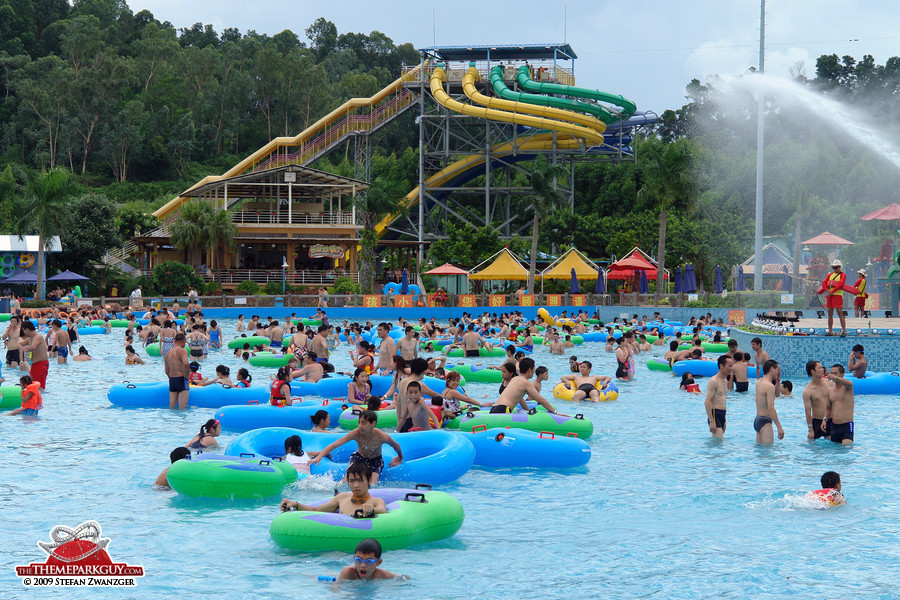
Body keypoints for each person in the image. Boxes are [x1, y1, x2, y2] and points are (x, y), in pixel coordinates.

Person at [307, 412, 403, 486]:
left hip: (375, 460)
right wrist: (319, 457)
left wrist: (400, 457)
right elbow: (335, 444)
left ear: (373, 423)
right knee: (345, 482)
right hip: (359, 458)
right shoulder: (356, 433)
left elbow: (396, 445)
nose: (360, 426)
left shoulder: (381, 436)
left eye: (364, 423)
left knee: (372, 485)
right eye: (359, 422)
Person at [282, 462, 385, 519]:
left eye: (359, 480)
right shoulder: (342, 498)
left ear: (369, 480)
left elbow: (383, 510)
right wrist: (295, 504)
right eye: (352, 481)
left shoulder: (376, 501)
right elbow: (316, 510)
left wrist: (372, 509)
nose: (355, 485)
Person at [491, 358, 560, 414]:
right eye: (533, 369)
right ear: (529, 370)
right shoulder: (526, 383)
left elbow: (520, 399)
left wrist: (528, 411)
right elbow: (541, 400)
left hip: (494, 408)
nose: (534, 372)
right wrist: (555, 412)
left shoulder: (514, 379)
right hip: (503, 410)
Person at [754, 360, 784, 444]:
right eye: (777, 369)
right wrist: (779, 427)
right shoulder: (769, 386)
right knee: (768, 453)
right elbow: (771, 408)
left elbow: (777, 395)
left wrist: (778, 380)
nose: (778, 372)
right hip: (765, 422)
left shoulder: (759, 382)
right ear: (771, 369)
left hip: (758, 420)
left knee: (760, 452)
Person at [704, 355, 734, 438]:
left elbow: (722, 400)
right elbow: (707, 402)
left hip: (722, 414)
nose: (731, 368)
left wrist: (724, 420)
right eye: (730, 366)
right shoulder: (714, 381)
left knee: (718, 443)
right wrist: (711, 420)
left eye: (732, 365)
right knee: (718, 442)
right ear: (721, 366)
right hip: (715, 414)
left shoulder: (725, 380)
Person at [825, 364, 854, 445]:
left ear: (842, 374)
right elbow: (828, 408)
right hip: (834, 426)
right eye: (832, 373)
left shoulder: (847, 388)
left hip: (846, 425)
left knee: (846, 448)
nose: (833, 375)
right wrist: (824, 419)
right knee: (835, 452)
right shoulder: (830, 390)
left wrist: (835, 378)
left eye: (835, 373)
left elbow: (850, 384)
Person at [802, 361, 831, 440]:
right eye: (819, 368)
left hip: (830, 420)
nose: (823, 370)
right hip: (817, 422)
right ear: (812, 371)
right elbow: (808, 412)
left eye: (822, 367)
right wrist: (810, 430)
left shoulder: (829, 383)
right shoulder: (808, 391)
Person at [19, 321, 49, 389]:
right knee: (33, 385)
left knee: (39, 386)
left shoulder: (38, 337)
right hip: (34, 365)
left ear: (27, 329)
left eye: (23, 330)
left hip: (41, 364)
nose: (23, 332)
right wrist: (22, 348)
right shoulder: (29, 339)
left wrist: (26, 349)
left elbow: (33, 347)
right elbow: (20, 343)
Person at [164, 333, 190, 410]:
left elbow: (166, 370)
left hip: (172, 379)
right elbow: (186, 363)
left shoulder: (168, 353)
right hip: (181, 378)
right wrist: (186, 376)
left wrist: (171, 377)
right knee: (182, 408)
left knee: (171, 406)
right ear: (183, 341)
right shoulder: (182, 350)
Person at [823, 259, 848, 336]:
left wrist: (832, 291)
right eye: (833, 267)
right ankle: (830, 331)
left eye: (836, 267)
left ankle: (844, 331)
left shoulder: (842, 275)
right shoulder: (830, 275)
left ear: (840, 267)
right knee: (830, 314)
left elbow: (840, 284)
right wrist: (827, 290)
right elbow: (824, 283)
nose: (835, 269)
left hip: (837, 296)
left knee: (840, 313)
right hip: (830, 296)